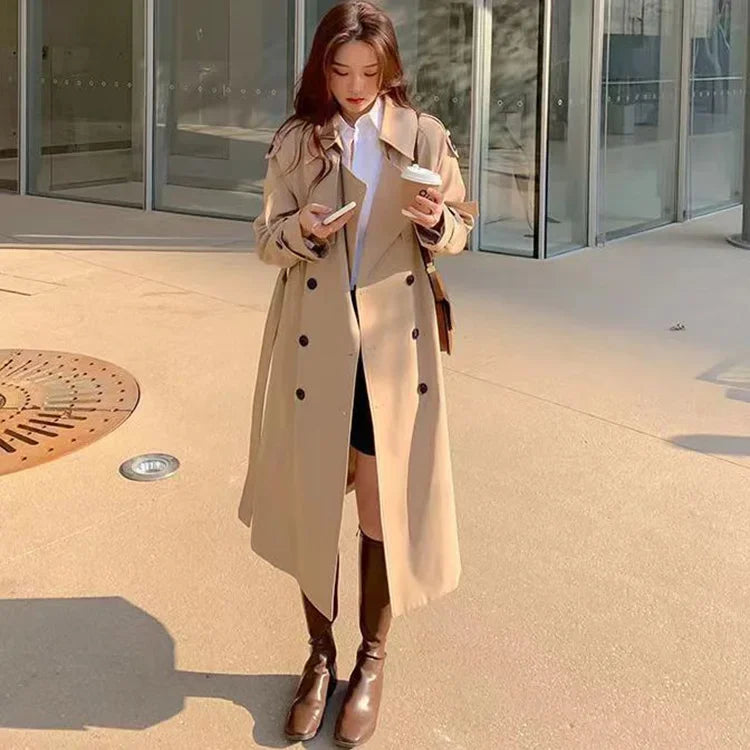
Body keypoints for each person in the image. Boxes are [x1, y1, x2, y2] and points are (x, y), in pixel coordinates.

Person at [237, 1, 476, 746]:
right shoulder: (296, 141)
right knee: (314, 505)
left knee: (380, 509)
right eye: (340, 71)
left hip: (389, 351)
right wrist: (300, 231)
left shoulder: (423, 135)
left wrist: (437, 222)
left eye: (370, 71)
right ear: (322, 69)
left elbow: (461, 226)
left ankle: (371, 660)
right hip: (314, 345)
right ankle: (320, 659)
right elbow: (264, 239)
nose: (354, 86)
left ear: (389, 69)